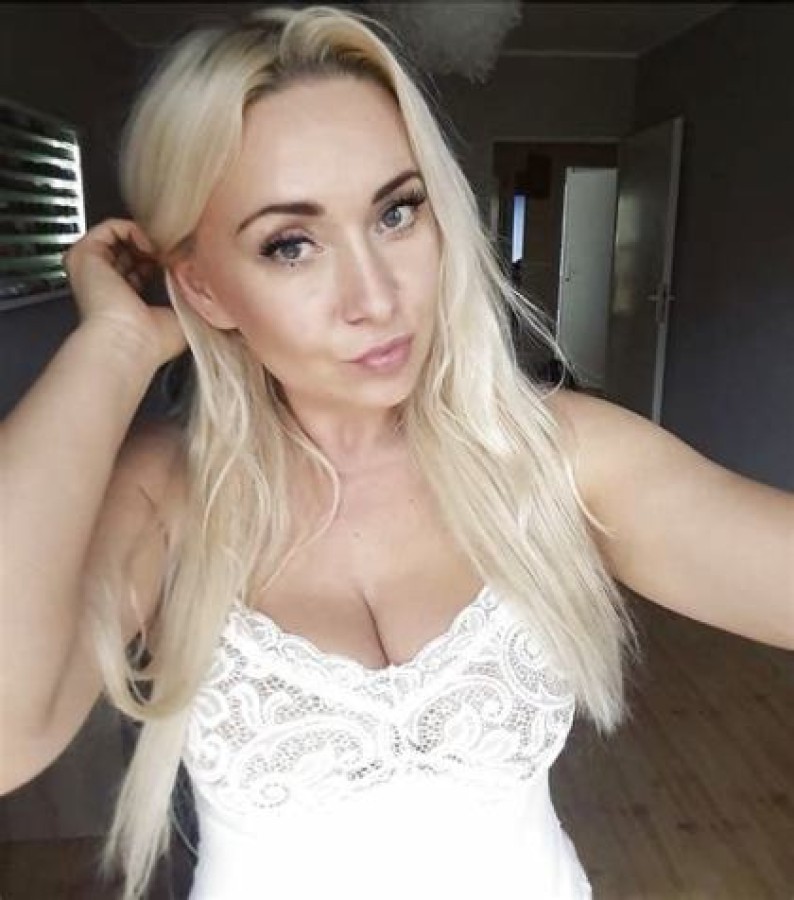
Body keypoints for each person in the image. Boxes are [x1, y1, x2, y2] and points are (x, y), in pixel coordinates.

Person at [1, 6, 791, 900]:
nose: (376, 297)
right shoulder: (164, 497)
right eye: (291, 245)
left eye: (396, 212)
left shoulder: (560, 457)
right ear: (204, 287)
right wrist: (110, 347)